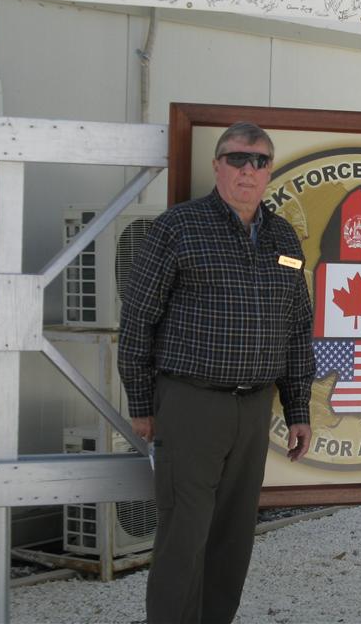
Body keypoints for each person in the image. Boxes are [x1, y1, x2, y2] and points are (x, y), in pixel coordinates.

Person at [118, 121, 315, 624]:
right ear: (216, 165)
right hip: (190, 405)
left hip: (253, 409)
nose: (248, 170)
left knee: (232, 537)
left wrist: (297, 409)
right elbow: (138, 317)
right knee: (184, 534)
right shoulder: (178, 228)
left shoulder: (284, 237)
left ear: (270, 170)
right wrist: (141, 405)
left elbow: (296, 329)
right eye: (237, 158)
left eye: (260, 161)